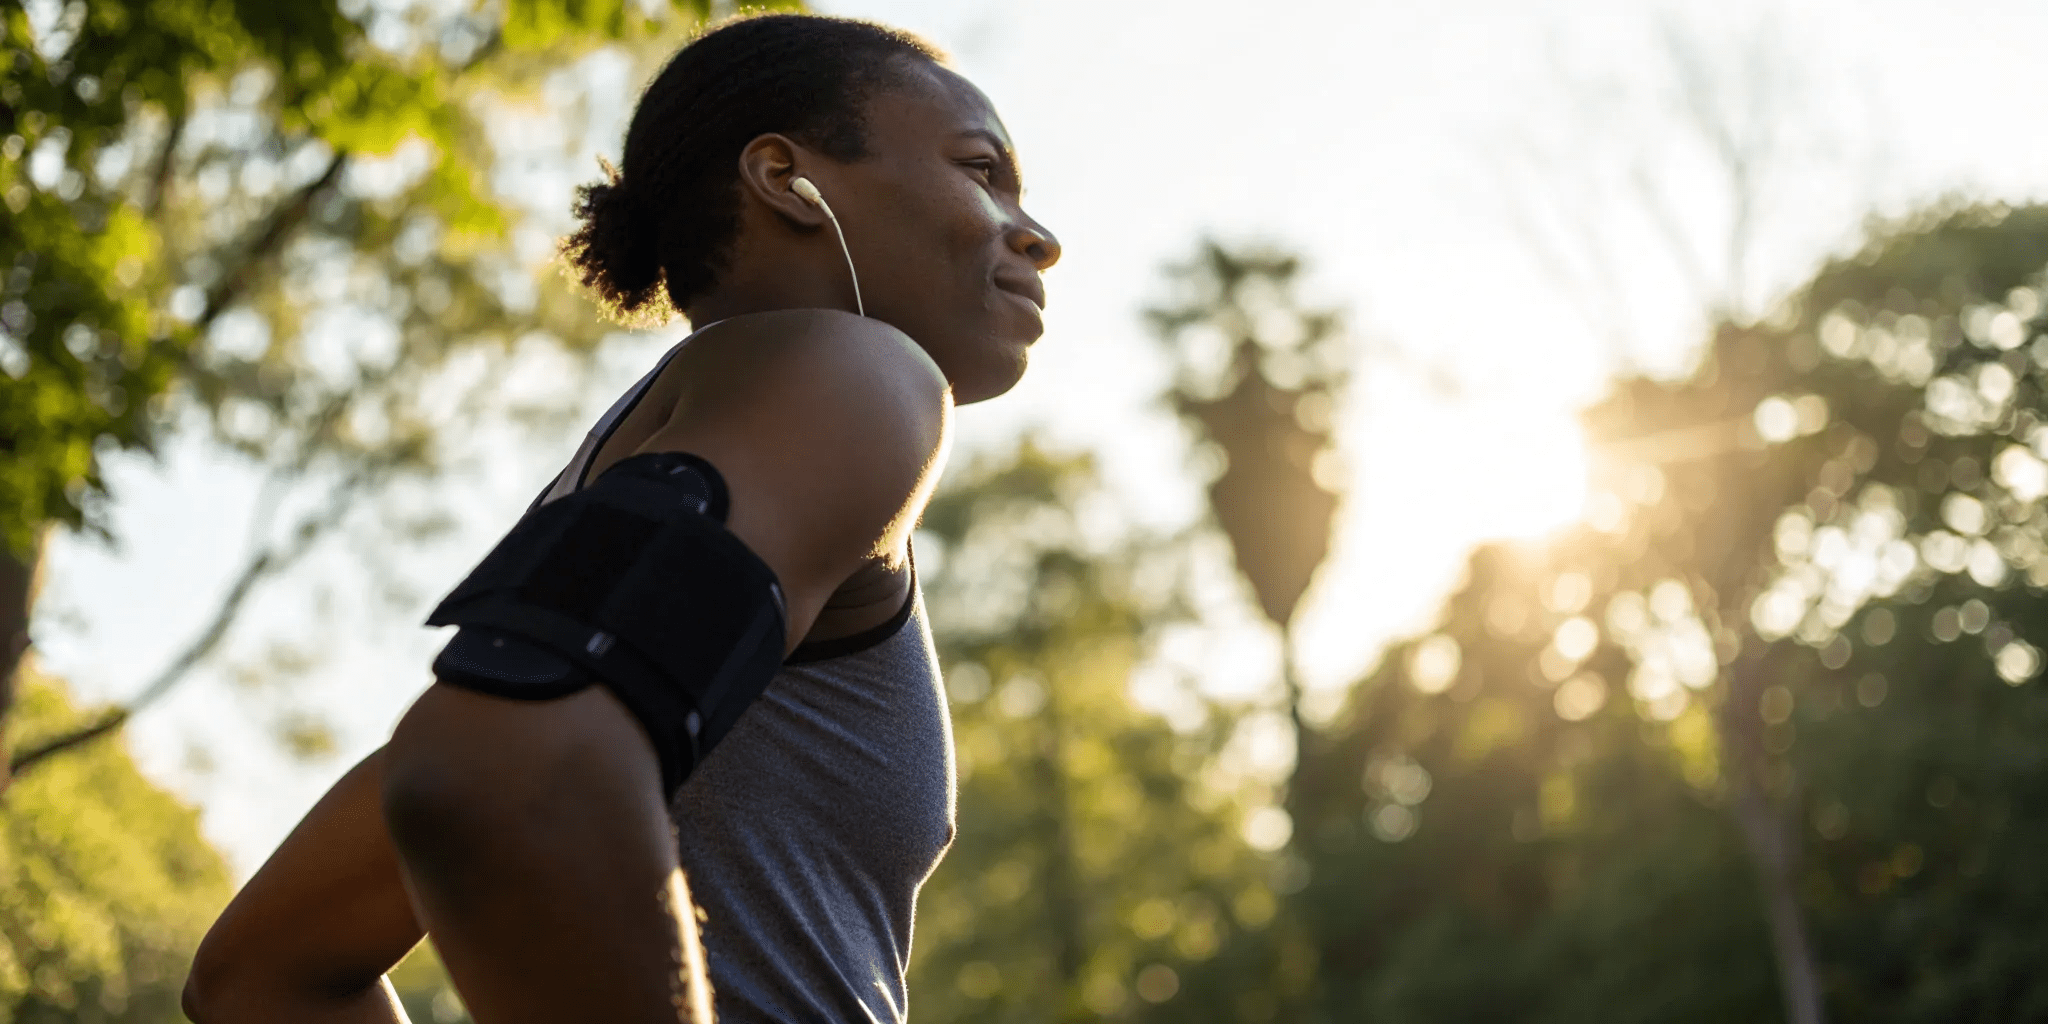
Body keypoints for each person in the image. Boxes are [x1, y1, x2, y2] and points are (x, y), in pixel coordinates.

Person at [179, 12, 1060, 1024]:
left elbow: (264, 970)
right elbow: (499, 767)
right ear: (785, 179)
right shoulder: (862, 375)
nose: (1036, 232)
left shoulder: (615, 509)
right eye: (981, 169)